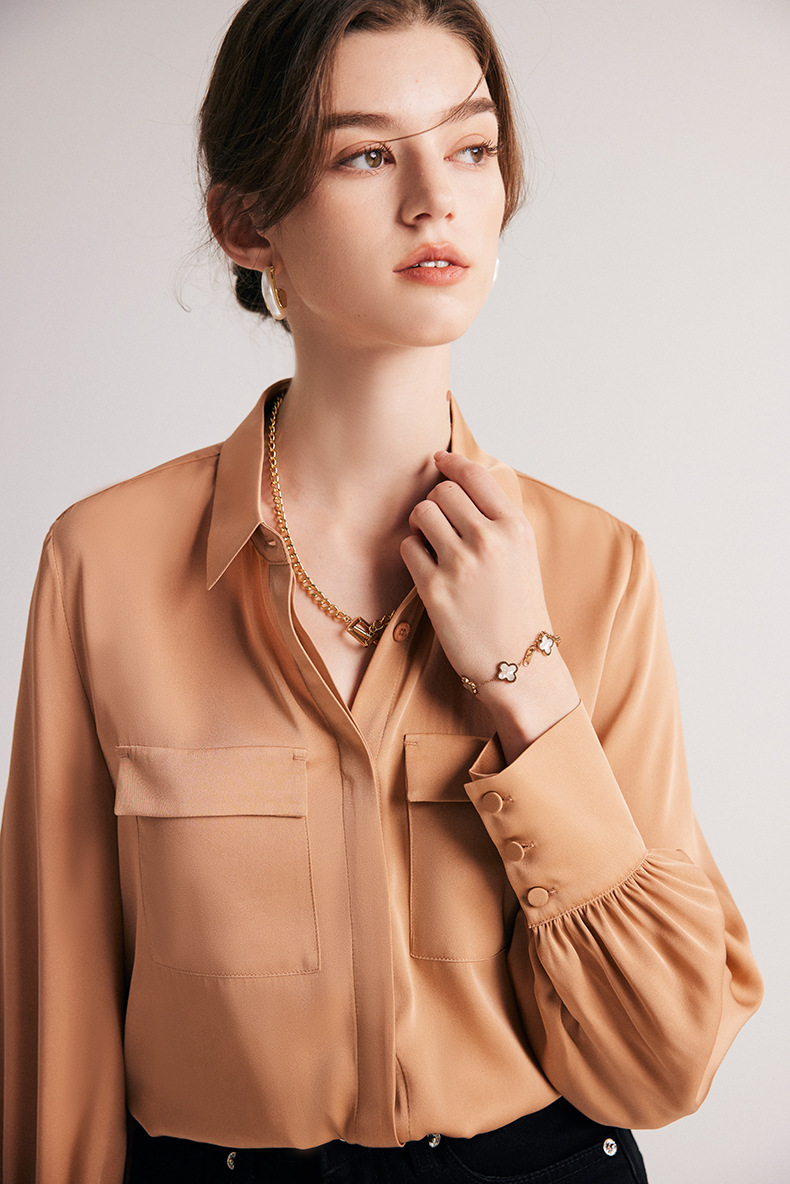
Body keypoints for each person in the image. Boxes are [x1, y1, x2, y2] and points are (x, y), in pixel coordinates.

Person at [0, 1, 763, 1181]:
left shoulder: (596, 566)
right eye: (365, 155)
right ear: (247, 222)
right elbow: (57, 1010)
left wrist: (526, 684)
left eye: (470, 146)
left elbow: (662, 1065)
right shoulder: (104, 563)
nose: (434, 198)